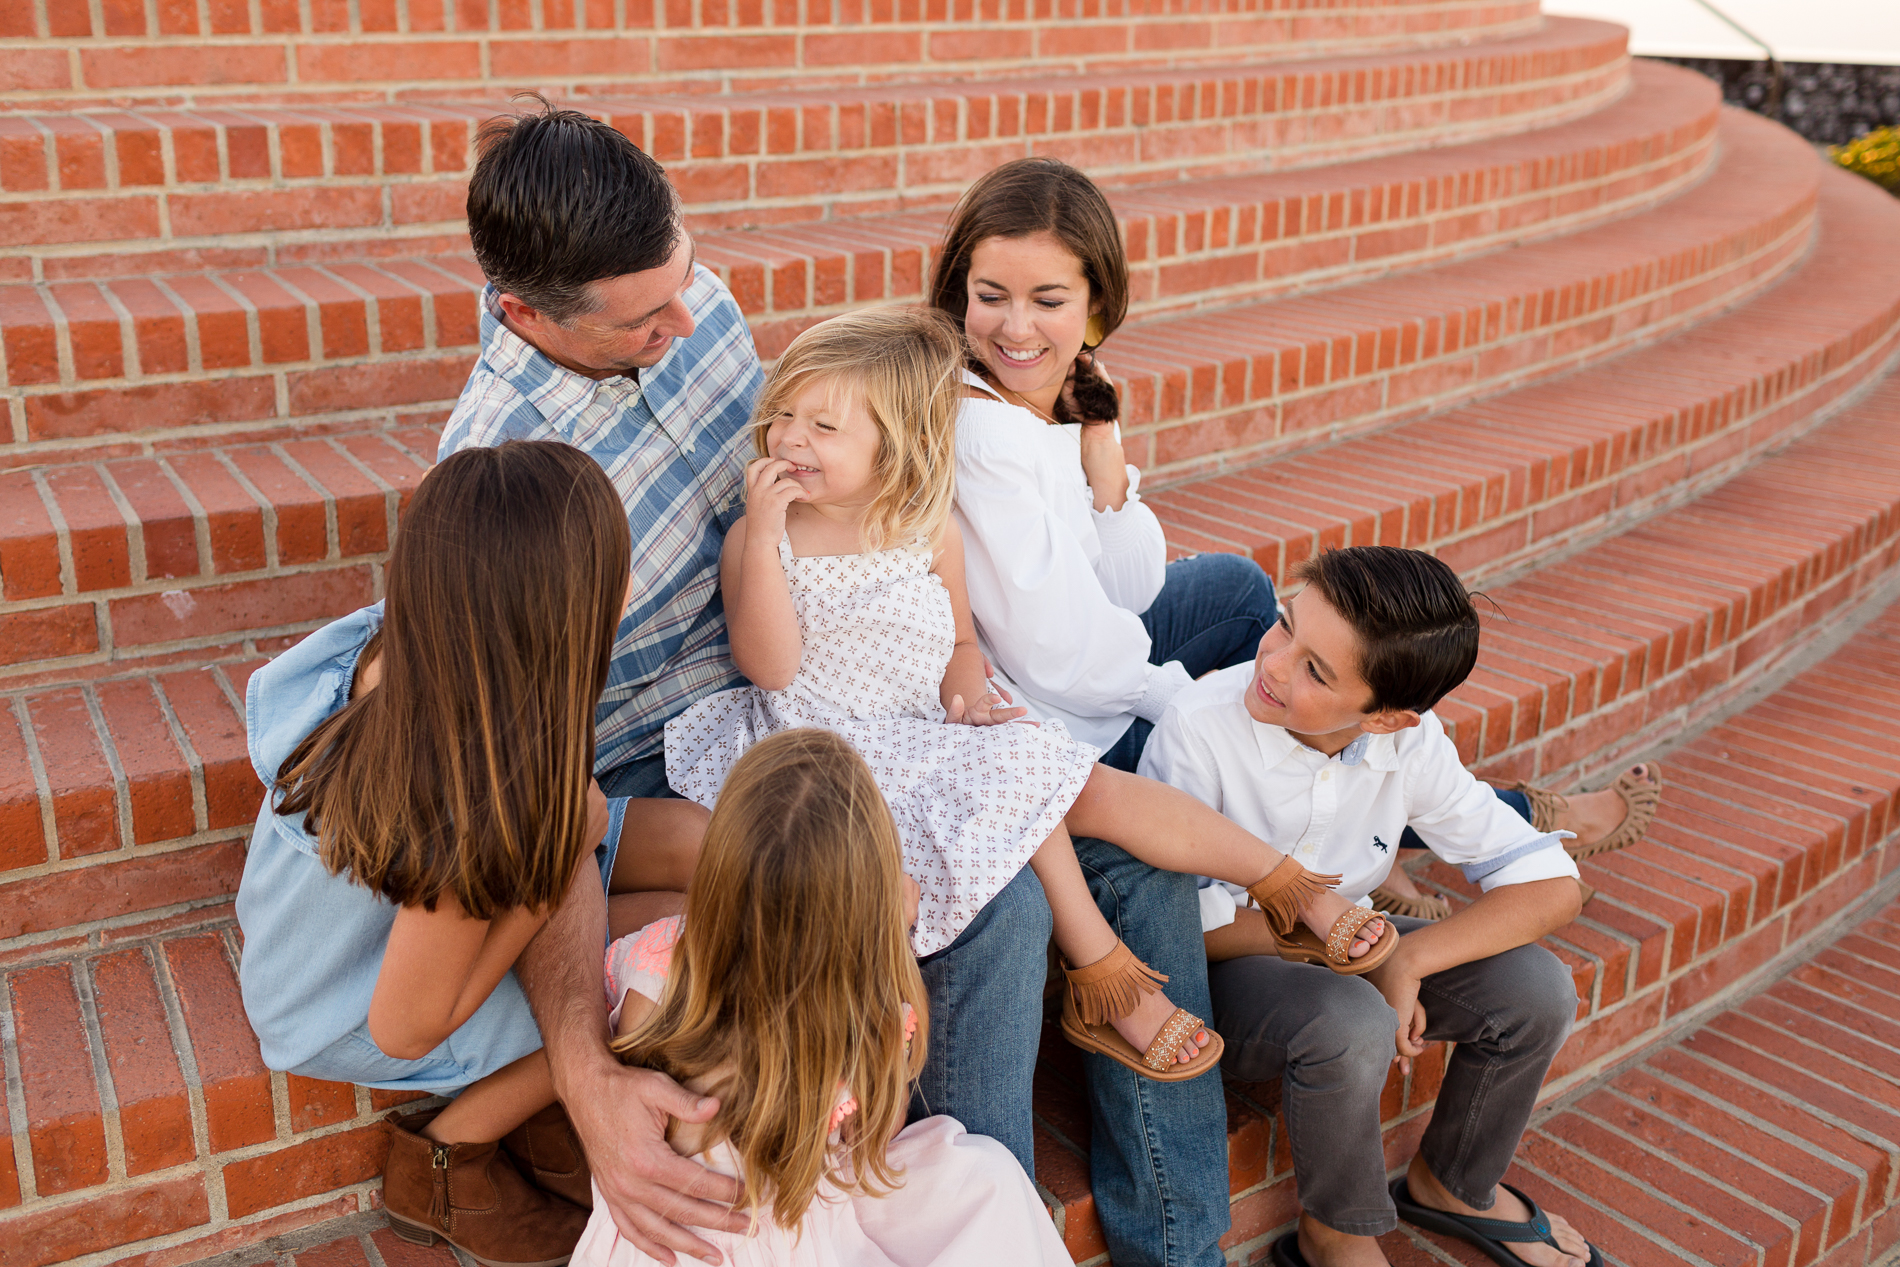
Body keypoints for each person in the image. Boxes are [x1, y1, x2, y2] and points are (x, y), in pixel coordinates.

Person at [664, 306, 1386, 1083]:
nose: (792, 438)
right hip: (822, 758)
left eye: (824, 426)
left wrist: (967, 681)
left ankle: (1286, 884)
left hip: (922, 731)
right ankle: (1103, 971)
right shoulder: (759, 538)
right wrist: (767, 534)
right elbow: (769, 667)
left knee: (1070, 772)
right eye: (782, 417)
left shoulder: (925, 526)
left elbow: (960, 640)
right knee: (1031, 770)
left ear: (896, 442)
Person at [234, 442, 706, 1267]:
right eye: (611, 572)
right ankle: (452, 1148)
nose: (626, 588)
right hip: (353, 993)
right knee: (692, 949)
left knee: (718, 852)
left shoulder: (437, 650)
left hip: (453, 877)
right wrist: (557, 860)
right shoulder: (467, 798)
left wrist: (566, 836)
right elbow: (408, 1025)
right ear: (551, 612)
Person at [436, 99, 764, 1261]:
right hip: (632, 750)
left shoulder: (685, 292)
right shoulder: (500, 478)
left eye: (686, 277)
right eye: (641, 320)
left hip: (775, 668)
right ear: (524, 315)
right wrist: (583, 1071)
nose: (691, 316)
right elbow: (530, 802)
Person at [1139, 546, 1609, 1267]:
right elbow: (1180, 930)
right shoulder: (1200, 728)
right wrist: (1350, 947)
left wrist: (1407, 957)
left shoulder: (1412, 746)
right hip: (1222, 967)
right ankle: (1336, 1230)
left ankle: (1451, 1182)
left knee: (1536, 988)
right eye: (1285, 625)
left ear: (1388, 718)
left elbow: (1552, 882)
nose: (1272, 663)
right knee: (1352, 1018)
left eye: (1315, 670)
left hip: (1349, 945)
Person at [572, 728, 1075, 1266]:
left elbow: (629, 1065)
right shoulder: (869, 1009)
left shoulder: (657, 965)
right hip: (809, 1226)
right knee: (989, 1185)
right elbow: (880, 1126)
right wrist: (892, 946)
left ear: (718, 871)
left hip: (676, 1240)